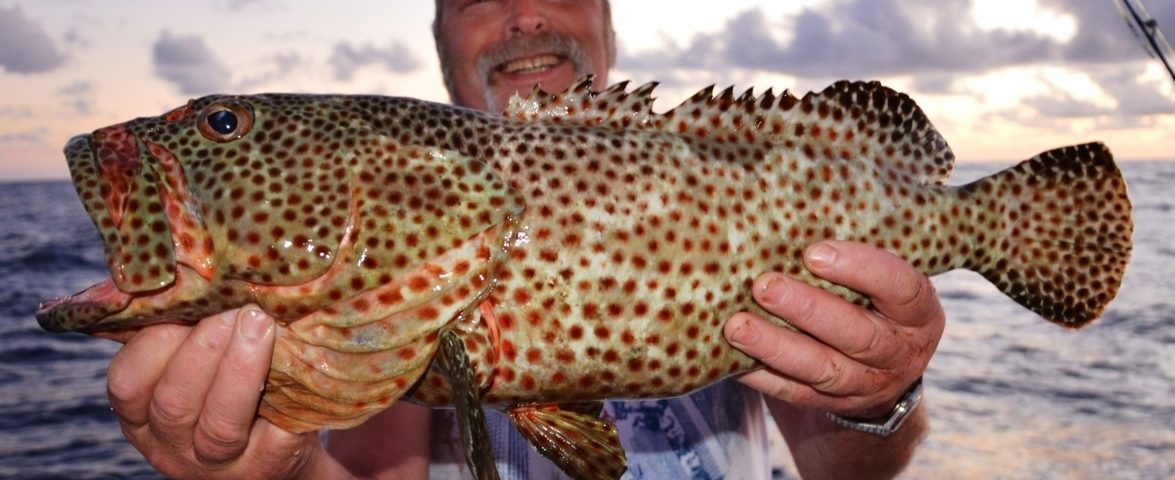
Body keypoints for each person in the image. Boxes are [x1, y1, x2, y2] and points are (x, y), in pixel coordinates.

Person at [104, 1, 945, 478]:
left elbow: (851, 479)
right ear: (442, 56)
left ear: (610, 30)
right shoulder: (373, 286)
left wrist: (878, 401)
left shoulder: (734, 174)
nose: (519, 15)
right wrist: (275, 476)